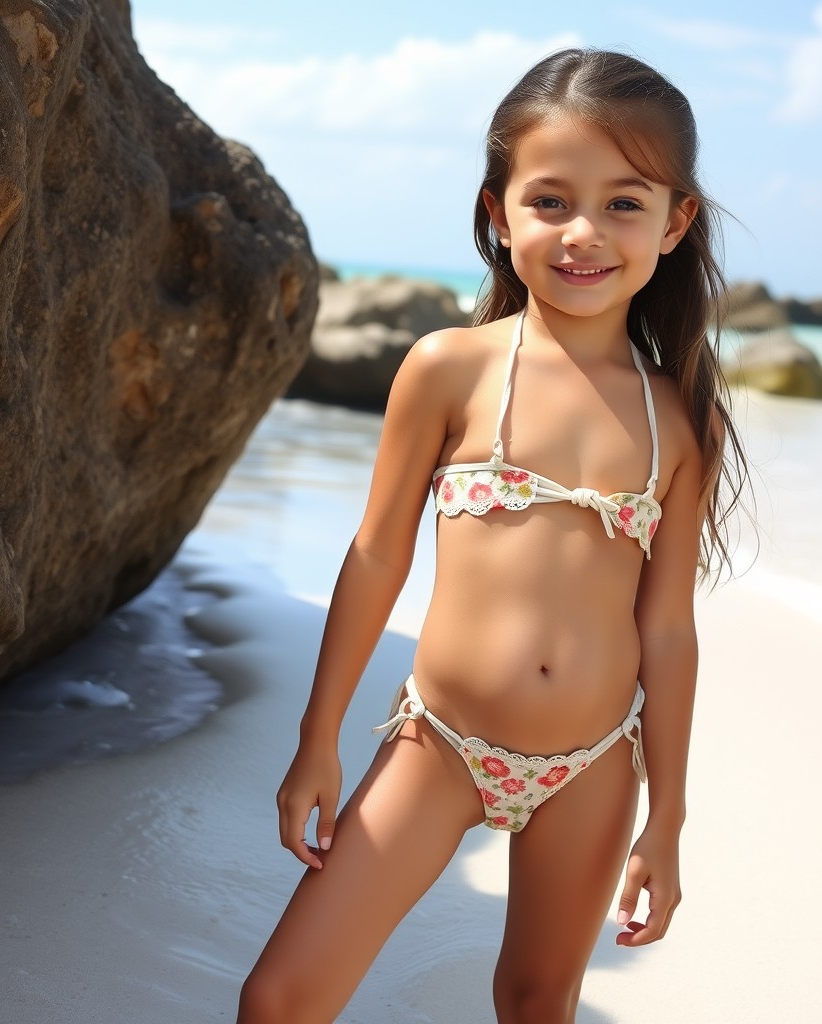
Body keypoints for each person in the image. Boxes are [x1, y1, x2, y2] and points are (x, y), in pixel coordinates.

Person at [237, 47, 749, 1024]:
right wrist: (318, 741)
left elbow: (670, 631)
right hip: (441, 743)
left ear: (676, 221)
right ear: (496, 210)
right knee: (279, 998)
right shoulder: (449, 368)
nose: (583, 233)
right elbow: (377, 556)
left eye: (624, 203)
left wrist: (667, 819)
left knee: (534, 1000)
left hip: (594, 760)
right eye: (550, 200)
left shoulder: (677, 420)